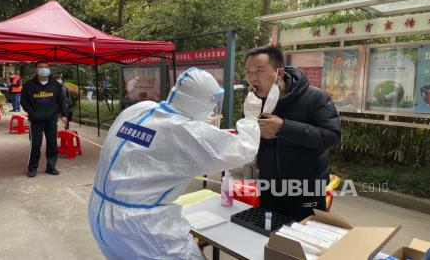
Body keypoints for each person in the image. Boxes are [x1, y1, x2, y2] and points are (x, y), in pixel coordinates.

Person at [89, 67, 262, 259]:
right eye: (211, 103)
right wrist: (251, 118)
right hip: (139, 226)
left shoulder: (140, 109)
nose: (213, 109)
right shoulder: (185, 131)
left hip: (99, 211)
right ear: (202, 102)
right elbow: (244, 150)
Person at [244, 46, 341, 221]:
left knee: (303, 242)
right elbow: (252, 142)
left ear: (279, 72)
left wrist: (284, 127)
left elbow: (331, 136)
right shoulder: (255, 101)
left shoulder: (315, 97)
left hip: (306, 189)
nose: (252, 78)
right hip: (270, 188)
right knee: (268, 240)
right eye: (248, 72)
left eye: (259, 71)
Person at [21, 62, 68, 177]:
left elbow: (61, 100)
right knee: (36, 144)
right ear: (36, 70)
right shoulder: (29, 85)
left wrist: (64, 114)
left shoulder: (55, 85)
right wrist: (32, 114)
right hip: (36, 120)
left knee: (52, 143)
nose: (44, 69)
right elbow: (24, 102)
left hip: (51, 120)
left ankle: (51, 167)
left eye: (46, 67)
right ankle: (32, 168)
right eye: (41, 67)